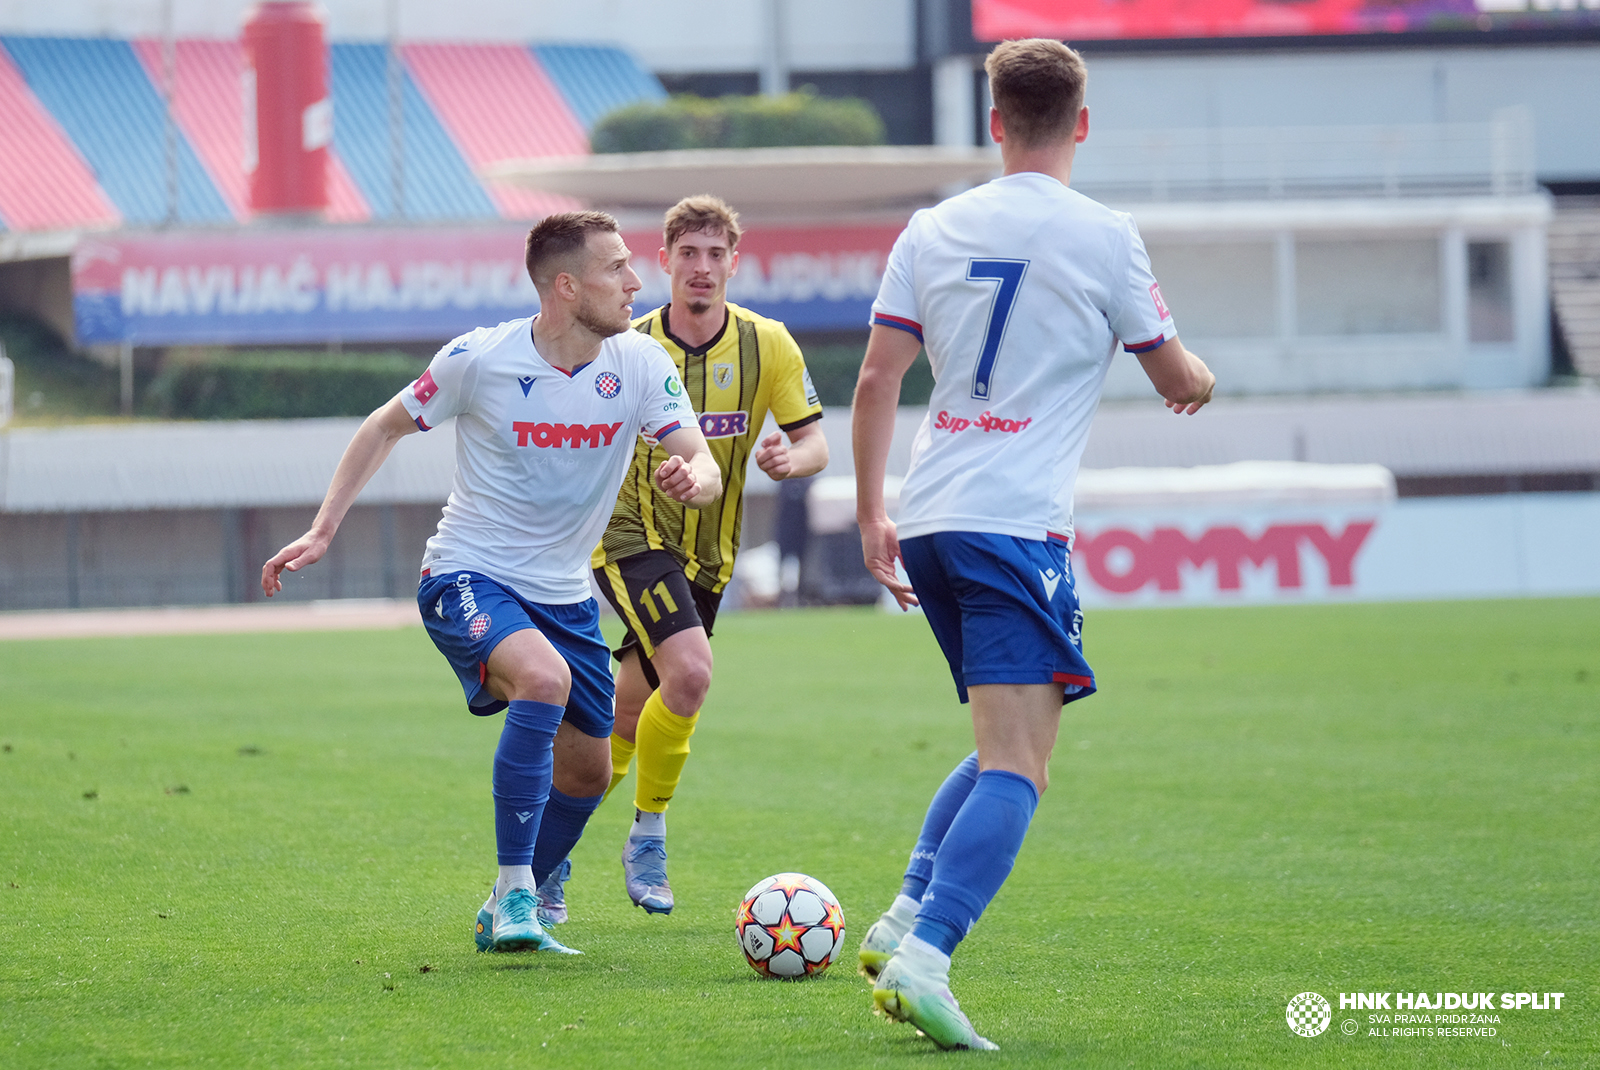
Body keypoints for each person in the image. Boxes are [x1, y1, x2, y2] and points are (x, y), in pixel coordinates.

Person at [850, 39, 1215, 1050]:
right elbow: (1174, 376)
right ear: (1083, 123)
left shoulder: (932, 226)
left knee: (1005, 742)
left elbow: (878, 378)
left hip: (928, 514)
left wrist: (871, 510)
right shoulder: (1105, 235)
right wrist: (1203, 377)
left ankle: (900, 917)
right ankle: (928, 956)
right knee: (1019, 763)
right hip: (1014, 524)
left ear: (994, 122)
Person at [260, 211, 721, 956]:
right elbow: (383, 426)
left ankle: (520, 899)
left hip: (565, 594)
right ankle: (514, 894)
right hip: (467, 573)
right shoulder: (479, 358)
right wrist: (321, 530)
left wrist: (690, 477)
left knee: (588, 770)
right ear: (566, 286)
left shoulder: (639, 363)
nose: (638, 281)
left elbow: (703, 462)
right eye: (617, 269)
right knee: (541, 680)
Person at [576, 194, 828, 917]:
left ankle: (545, 858)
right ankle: (649, 834)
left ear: (734, 264)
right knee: (689, 674)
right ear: (664, 263)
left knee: (627, 719)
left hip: (708, 556)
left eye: (716, 254)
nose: (702, 267)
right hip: (627, 537)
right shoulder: (627, 344)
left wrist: (791, 458)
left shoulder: (768, 344)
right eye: (688, 253)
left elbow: (815, 442)